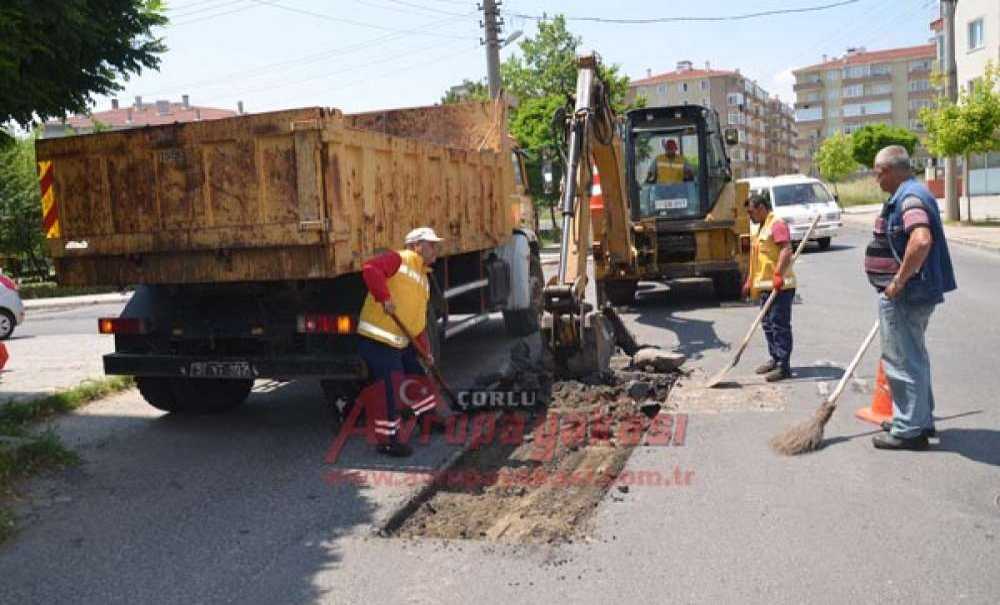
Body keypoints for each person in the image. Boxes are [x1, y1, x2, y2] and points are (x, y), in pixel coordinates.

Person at [865, 146, 956, 451]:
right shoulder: (911, 193)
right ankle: (918, 419)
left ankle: (909, 430)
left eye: (878, 173)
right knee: (914, 357)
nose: (877, 179)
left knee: (902, 361)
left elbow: (921, 240)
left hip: (906, 295)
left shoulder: (910, 197)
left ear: (890, 170)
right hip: (913, 293)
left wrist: (898, 282)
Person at [357, 226, 444, 458]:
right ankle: (387, 441)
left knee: (417, 376)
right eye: (431, 244)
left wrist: (425, 351)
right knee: (391, 388)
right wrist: (384, 297)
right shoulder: (400, 259)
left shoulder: (423, 279)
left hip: (400, 340)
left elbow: (416, 321)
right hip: (378, 339)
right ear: (416, 246)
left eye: (436, 244)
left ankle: (429, 419)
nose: (436, 249)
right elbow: (370, 268)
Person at [742, 191, 796, 382]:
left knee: (779, 325)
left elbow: (786, 250)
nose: (750, 216)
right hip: (765, 286)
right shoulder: (761, 227)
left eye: (751, 212)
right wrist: (749, 280)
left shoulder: (777, 224)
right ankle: (774, 358)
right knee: (767, 325)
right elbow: (757, 258)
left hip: (780, 286)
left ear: (761, 208)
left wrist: (778, 274)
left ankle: (784, 366)